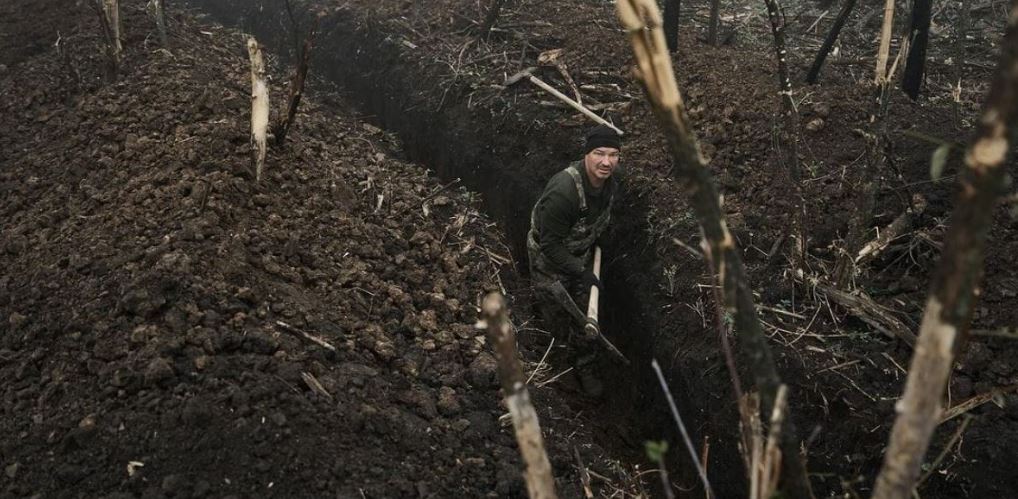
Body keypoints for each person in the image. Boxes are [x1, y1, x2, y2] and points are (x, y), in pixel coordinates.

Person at [527, 125, 622, 397]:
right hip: (549, 261)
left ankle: (584, 365)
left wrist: (599, 239)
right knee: (557, 319)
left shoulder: (610, 182)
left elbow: (600, 216)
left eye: (614, 155)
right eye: (599, 153)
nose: (606, 162)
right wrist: (582, 271)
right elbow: (550, 245)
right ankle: (557, 368)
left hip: (581, 252)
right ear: (586, 155)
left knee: (584, 319)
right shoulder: (564, 193)